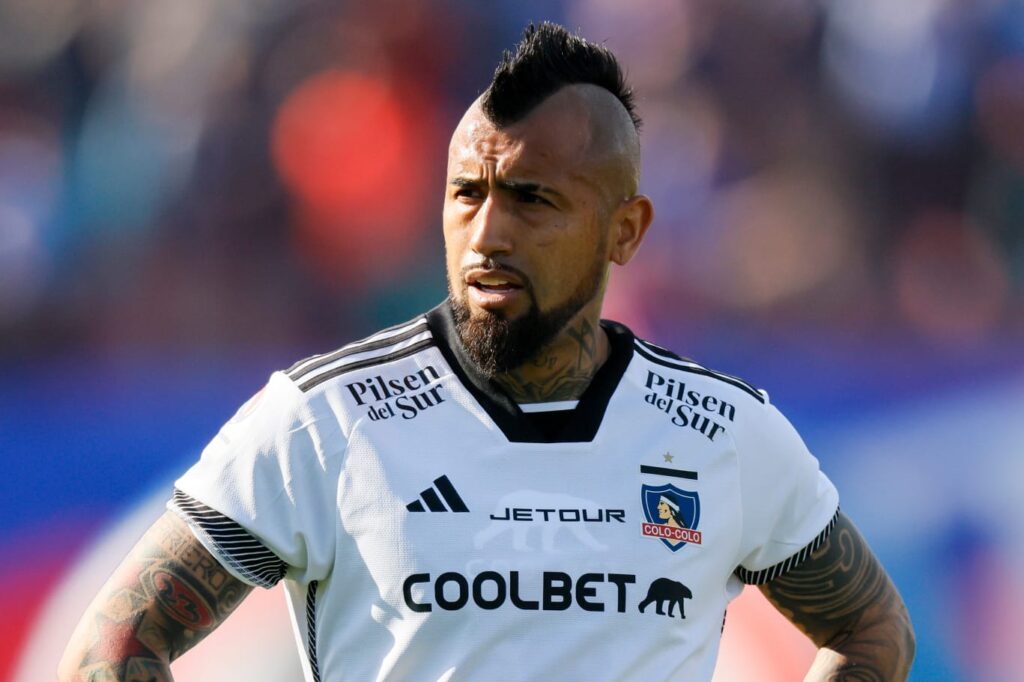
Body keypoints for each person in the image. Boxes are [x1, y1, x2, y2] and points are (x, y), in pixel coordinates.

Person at [59, 22, 915, 681]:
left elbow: (873, 630)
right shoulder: (326, 420)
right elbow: (113, 644)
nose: (488, 233)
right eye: (467, 193)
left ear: (626, 229)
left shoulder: (722, 432)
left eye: (534, 200)